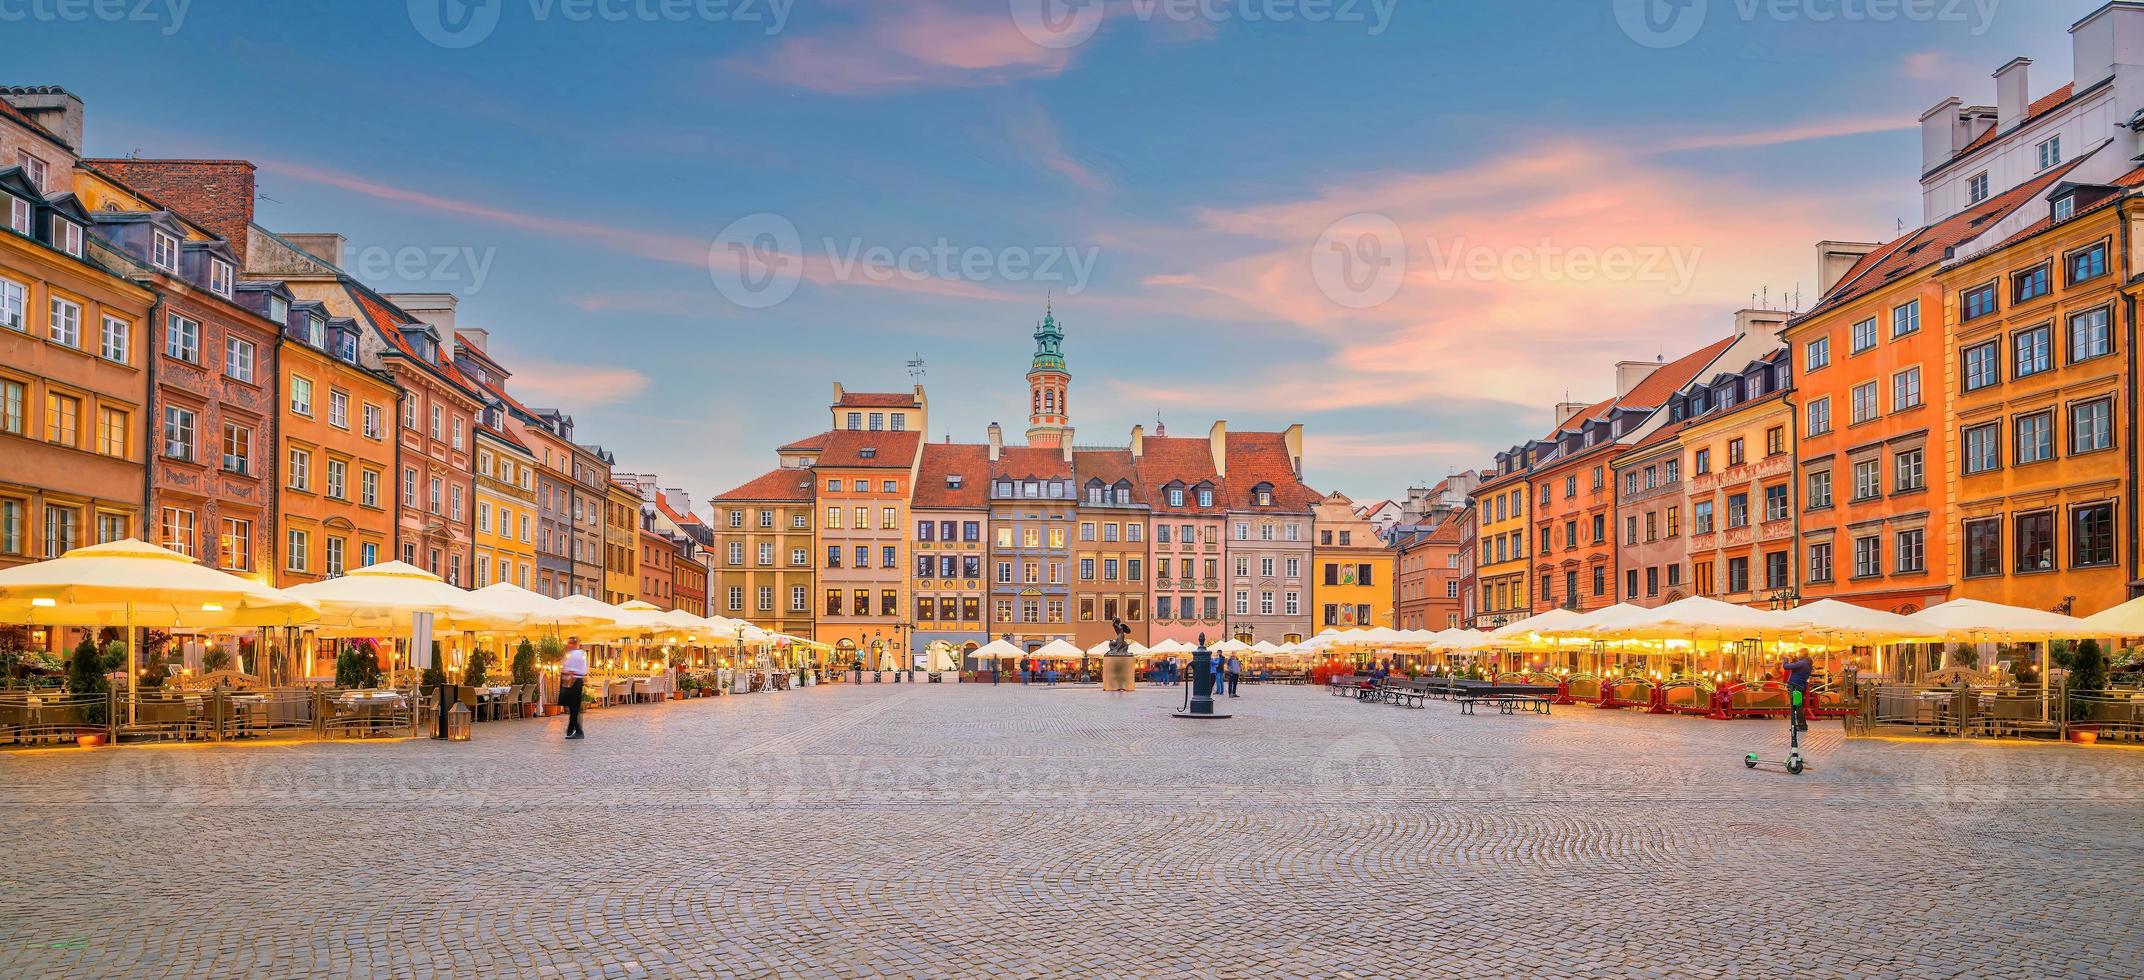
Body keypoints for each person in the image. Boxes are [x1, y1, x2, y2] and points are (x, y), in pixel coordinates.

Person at [560, 637, 588, 740]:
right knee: (573, 708)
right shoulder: (580, 654)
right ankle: (571, 730)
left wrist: (568, 673)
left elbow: (569, 669)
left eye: (569, 643)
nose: (567, 645)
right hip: (575, 681)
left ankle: (578, 731)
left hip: (574, 681)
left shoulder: (574, 655)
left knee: (573, 708)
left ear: (573, 644)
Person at [1781, 652, 1814, 732]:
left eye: (1799, 653)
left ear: (1803, 655)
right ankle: (1800, 725)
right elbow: (1796, 666)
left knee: (1797, 706)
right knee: (1798, 705)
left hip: (1796, 685)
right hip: (1800, 685)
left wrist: (1785, 659)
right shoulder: (1806, 663)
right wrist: (1794, 659)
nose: (1798, 654)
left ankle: (1801, 725)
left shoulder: (1802, 663)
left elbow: (1786, 666)